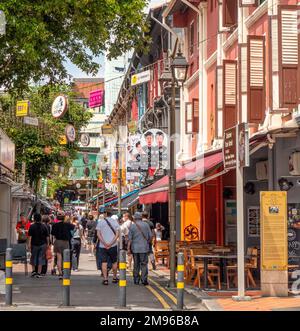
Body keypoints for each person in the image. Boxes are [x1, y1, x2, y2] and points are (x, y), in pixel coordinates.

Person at [128, 212, 152, 286]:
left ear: (134, 218)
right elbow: (150, 236)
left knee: (136, 264)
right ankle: (144, 280)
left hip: (135, 248)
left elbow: (130, 239)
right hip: (144, 248)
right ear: (141, 217)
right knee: (144, 264)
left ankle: (136, 280)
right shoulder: (146, 225)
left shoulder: (132, 226)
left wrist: (128, 248)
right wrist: (147, 242)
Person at [96, 211, 120, 285]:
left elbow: (98, 234)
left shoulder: (101, 222)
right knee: (114, 262)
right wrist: (111, 243)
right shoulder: (115, 222)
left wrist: (104, 243)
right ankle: (114, 277)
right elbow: (117, 234)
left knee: (104, 262)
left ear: (105, 214)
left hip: (103, 246)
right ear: (111, 214)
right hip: (113, 245)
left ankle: (105, 279)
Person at [51, 211, 75, 280]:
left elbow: (52, 234)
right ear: (64, 217)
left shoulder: (54, 225)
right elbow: (74, 227)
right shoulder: (68, 225)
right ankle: (66, 272)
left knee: (59, 258)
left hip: (57, 241)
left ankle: (60, 273)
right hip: (66, 242)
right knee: (66, 258)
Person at [28, 213, 50, 278]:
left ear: (34, 218)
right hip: (43, 244)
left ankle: (34, 271)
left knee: (33, 257)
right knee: (41, 258)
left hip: (34, 244)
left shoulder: (32, 226)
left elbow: (30, 237)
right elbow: (47, 237)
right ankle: (39, 273)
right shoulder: (44, 226)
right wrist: (48, 244)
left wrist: (29, 245)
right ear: (40, 218)